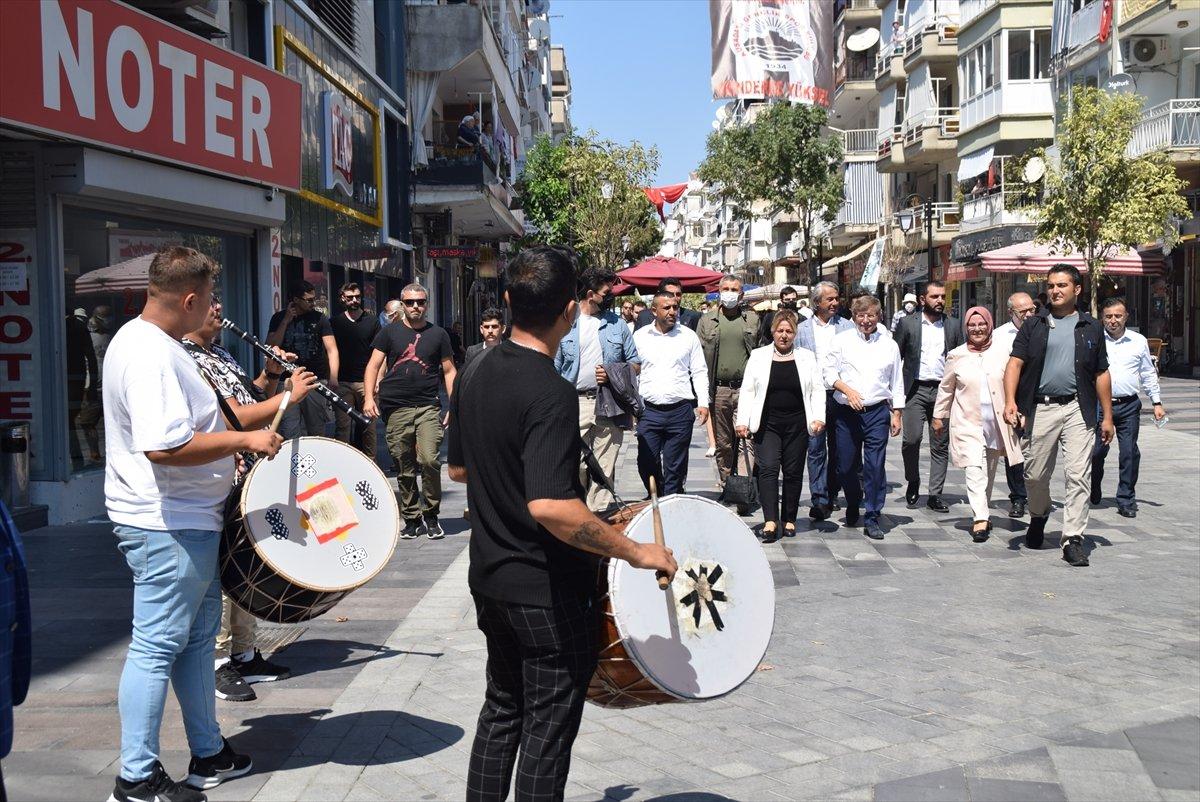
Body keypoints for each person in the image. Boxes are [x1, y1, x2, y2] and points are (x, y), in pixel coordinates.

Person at [447, 245, 677, 802]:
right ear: (570, 311)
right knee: (546, 735)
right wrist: (635, 550)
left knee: (501, 711)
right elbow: (551, 507)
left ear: (507, 301)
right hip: (543, 592)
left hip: (490, 579)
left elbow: (458, 468)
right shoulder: (549, 391)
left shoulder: (475, 370)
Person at [104, 246, 282, 802]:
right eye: (207, 298)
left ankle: (208, 752)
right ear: (188, 298)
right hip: (165, 525)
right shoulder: (149, 353)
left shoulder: (159, 344)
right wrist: (246, 439)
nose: (212, 307)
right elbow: (164, 446)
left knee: (198, 641)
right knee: (157, 645)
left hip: (189, 520)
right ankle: (136, 777)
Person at [181, 296, 316, 703]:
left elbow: (251, 398)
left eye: (221, 302)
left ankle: (245, 651)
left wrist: (271, 376)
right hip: (219, 476)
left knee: (247, 563)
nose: (220, 309)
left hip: (247, 473)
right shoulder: (188, 361)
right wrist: (288, 397)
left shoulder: (219, 353)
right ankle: (218, 661)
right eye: (210, 303)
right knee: (225, 571)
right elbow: (231, 419)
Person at [1004, 264, 1114, 567]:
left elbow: (1101, 372)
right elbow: (1014, 364)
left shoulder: (1092, 327)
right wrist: (1010, 402)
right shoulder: (1034, 324)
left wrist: (1107, 416)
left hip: (1078, 408)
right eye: (1051, 285)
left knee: (1078, 475)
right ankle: (1038, 515)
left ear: (1076, 289)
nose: (1055, 290)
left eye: (1062, 285)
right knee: (1035, 475)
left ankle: (1073, 539)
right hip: (1041, 408)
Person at [364, 283, 457, 540]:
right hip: (396, 407)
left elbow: (449, 371)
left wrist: (455, 404)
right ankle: (412, 518)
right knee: (403, 465)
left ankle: (432, 515)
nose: (416, 306)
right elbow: (373, 365)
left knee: (429, 460)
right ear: (402, 305)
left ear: (427, 303)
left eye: (420, 301)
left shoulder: (439, 334)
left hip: (428, 406)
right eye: (410, 302)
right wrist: (369, 397)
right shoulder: (389, 332)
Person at [932, 307, 1024, 542]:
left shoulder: (1005, 352)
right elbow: (946, 388)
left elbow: (1016, 384)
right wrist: (939, 416)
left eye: (981, 324)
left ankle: (983, 509)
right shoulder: (956, 355)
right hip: (967, 423)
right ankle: (980, 518)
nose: (977, 329)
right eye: (972, 325)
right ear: (966, 328)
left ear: (990, 324)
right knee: (974, 468)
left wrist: (1019, 411)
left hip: (996, 423)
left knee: (988, 471)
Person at [555, 268, 640, 511]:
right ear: (591, 294)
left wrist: (614, 371)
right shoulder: (566, 324)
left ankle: (599, 518)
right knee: (576, 464)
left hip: (609, 402)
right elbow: (554, 367)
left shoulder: (617, 325)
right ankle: (581, 512)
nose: (611, 295)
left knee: (605, 467)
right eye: (607, 292)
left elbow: (635, 363)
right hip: (574, 402)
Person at [736, 309, 825, 541]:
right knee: (768, 469)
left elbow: (817, 390)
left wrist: (819, 418)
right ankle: (770, 520)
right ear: (772, 331)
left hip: (797, 423)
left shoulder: (806, 357)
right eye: (780, 330)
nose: (784, 335)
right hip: (767, 424)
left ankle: (789, 519)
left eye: (789, 331)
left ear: (795, 333)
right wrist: (742, 421)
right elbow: (747, 390)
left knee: (793, 472)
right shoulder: (758, 356)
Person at [823, 294, 904, 541]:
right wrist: (846, 389)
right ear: (853, 316)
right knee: (846, 466)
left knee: (874, 465)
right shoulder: (841, 341)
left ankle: (872, 514)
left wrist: (897, 413)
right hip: (847, 412)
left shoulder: (889, 344)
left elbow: (897, 380)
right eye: (860, 315)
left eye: (870, 315)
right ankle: (853, 500)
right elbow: (827, 372)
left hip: (877, 411)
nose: (865, 320)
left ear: (879, 316)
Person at [1090, 297, 1166, 518]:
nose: (1113, 321)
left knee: (1129, 453)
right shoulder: (1095, 339)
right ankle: (1094, 487)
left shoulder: (1138, 340)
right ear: (1102, 317)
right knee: (1096, 452)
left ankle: (1126, 499)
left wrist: (1157, 402)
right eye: (1108, 316)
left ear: (1126, 317)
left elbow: (1147, 372)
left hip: (1129, 405)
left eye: (1118, 316)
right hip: (1100, 406)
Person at [894, 280, 963, 513]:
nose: (940, 301)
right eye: (935, 297)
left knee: (940, 444)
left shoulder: (953, 326)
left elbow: (960, 358)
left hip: (943, 391)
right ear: (923, 300)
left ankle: (935, 494)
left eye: (943, 296)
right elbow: (896, 358)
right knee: (911, 440)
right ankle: (913, 480)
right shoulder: (907, 324)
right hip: (915, 389)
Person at [633, 291, 710, 496]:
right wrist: (633, 405)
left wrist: (703, 402)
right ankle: (655, 495)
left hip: (680, 411)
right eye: (666, 307)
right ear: (654, 310)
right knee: (646, 461)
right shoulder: (640, 337)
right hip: (649, 411)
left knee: (675, 466)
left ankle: (670, 505)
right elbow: (632, 372)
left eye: (675, 307)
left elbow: (700, 370)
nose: (672, 311)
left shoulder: (688, 336)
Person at [796, 281, 855, 520]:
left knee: (840, 450)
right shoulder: (802, 330)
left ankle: (831, 491)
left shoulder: (848, 327)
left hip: (839, 395)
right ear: (816, 302)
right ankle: (819, 499)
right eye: (829, 299)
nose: (834, 303)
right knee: (816, 448)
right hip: (813, 396)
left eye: (836, 298)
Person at [698, 274, 759, 487]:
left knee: (746, 439)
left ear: (741, 294)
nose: (730, 293)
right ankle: (727, 483)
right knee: (723, 443)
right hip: (719, 390)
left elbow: (759, 352)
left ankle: (743, 486)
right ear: (719, 291)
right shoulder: (707, 320)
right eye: (726, 289)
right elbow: (698, 359)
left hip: (745, 389)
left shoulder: (752, 319)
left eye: (735, 289)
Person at [266, 281, 338, 439]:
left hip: (313, 379)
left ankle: (317, 461)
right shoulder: (279, 318)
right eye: (309, 300)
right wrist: (286, 320)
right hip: (286, 381)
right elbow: (271, 346)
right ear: (296, 300)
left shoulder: (320, 318)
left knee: (316, 428)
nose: (313, 303)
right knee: (289, 428)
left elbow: (331, 349)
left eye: (314, 299)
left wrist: (333, 378)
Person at [993, 291, 1037, 517]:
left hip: (1039, 398)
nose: (1029, 314)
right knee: (1015, 450)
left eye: (1032, 309)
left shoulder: (1044, 328)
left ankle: (1037, 493)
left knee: (1037, 451)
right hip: (1013, 399)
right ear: (1011, 313)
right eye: (1024, 312)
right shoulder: (999, 336)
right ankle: (1018, 497)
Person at [330, 283, 381, 459]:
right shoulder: (335, 322)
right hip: (343, 382)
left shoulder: (372, 321)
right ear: (342, 298)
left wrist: (378, 380)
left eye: (358, 297)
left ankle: (370, 463)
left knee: (368, 426)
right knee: (343, 426)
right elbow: (330, 352)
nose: (354, 300)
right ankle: (342, 462)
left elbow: (380, 355)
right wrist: (332, 378)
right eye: (350, 297)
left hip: (366, 383)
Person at [65, 310, 99, 469]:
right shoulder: (79, 328)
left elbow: (91, 357)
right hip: (75, 381)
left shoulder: (75, 328)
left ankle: (76, 458)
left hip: (71, 380)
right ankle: (76, 458)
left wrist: (91, 383)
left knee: (68, 421)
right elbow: (91, 358)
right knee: (69, 421)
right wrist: (91, 383)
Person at [635, 278, 700, 331]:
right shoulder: (644, 316)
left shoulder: (694, 316)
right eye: (670, 294)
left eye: (678, 294)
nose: (675, 298)